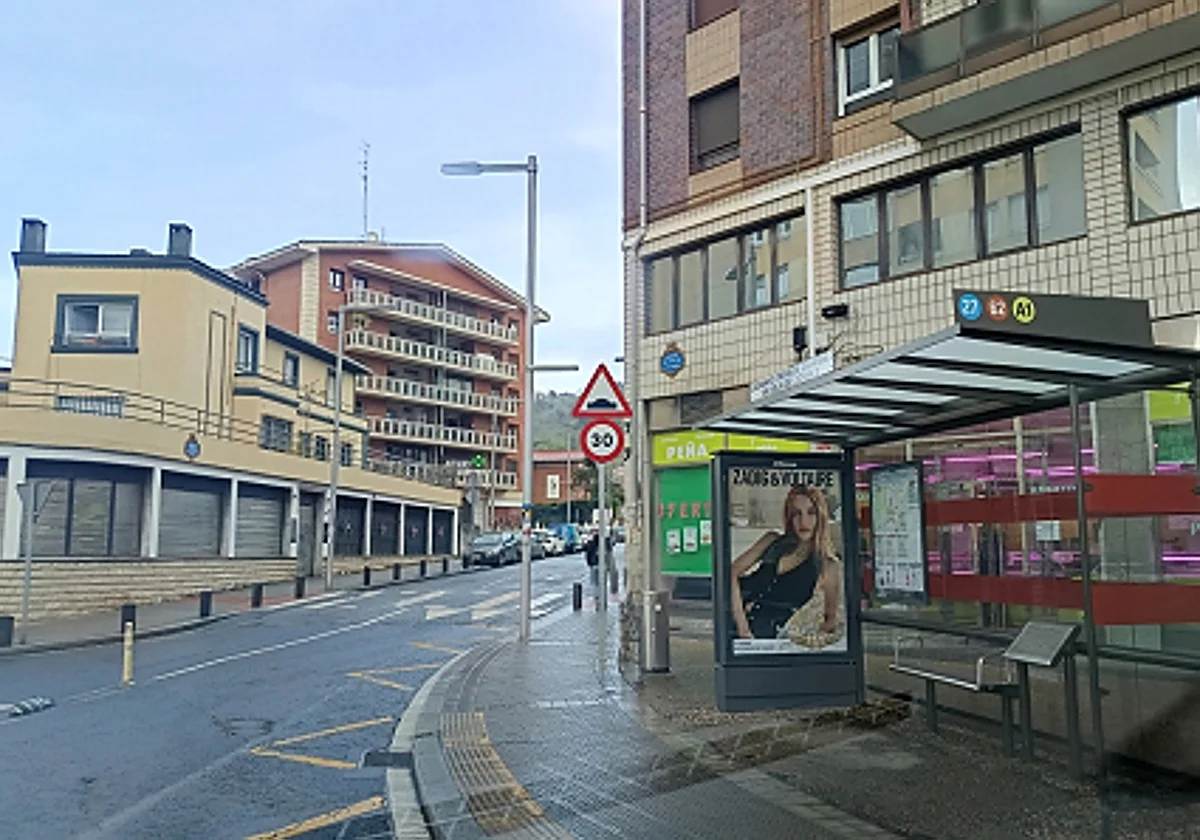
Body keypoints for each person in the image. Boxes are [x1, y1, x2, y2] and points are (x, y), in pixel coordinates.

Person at [730, 484, 843, 643]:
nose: (804, 521)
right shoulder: (773, 541)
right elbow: (731, 572)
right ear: (789, 517)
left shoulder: (828, 565)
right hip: (737, 629)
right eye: (796, 513)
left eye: (811, 513)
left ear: (821, 516)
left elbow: (830, 620)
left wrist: (801, 643)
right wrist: (743, 629)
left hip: (772, 641)